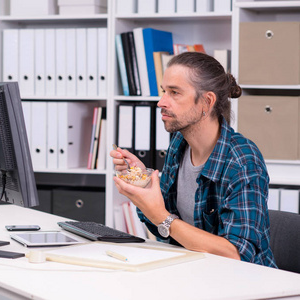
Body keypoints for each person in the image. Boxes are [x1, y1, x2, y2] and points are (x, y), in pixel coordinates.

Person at [111, 51, 277, 267]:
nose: (161, 102)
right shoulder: (178, 145)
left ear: (207, 102)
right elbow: (164, 228)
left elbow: (237, 255)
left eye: (175, 92)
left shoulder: (242, 161)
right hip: (194, 272)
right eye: (164, 91)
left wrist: (161, 216)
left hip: (247, 285)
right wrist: (142, 180)